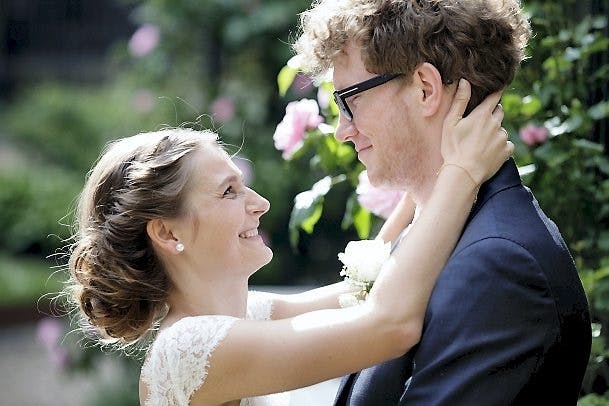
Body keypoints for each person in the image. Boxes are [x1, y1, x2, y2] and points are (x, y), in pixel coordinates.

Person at [63, 80, 510, 406]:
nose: (259, 203)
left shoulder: (240, 316)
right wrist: (462, 173)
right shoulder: (189, 349)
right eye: (229, 192)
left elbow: (365, 287)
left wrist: (427, 173)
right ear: (167, 232)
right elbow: (388, 325)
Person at [293, 0, 591, 404]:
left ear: (425, 89)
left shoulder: (499, 266)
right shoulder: (439, 233)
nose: (342, 131)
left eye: (349, 101)